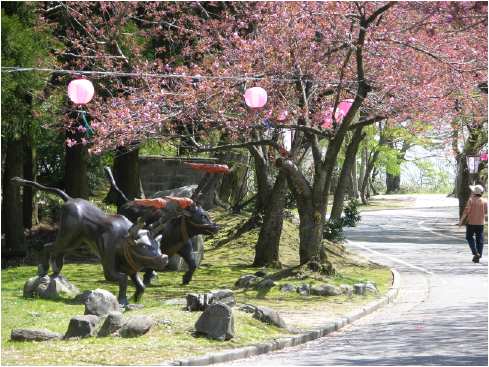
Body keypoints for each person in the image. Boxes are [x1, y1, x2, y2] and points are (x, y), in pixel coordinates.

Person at [459, 185, 487, 263]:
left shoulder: (471, 200)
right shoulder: (485, 201)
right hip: (481, 223)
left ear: (474, 192)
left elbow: (466, 211)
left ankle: (475, 252)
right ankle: (478, 256)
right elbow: (485, 212)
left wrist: (461, 221)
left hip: (471, 223)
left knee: (469, 237)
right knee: (480, 239)